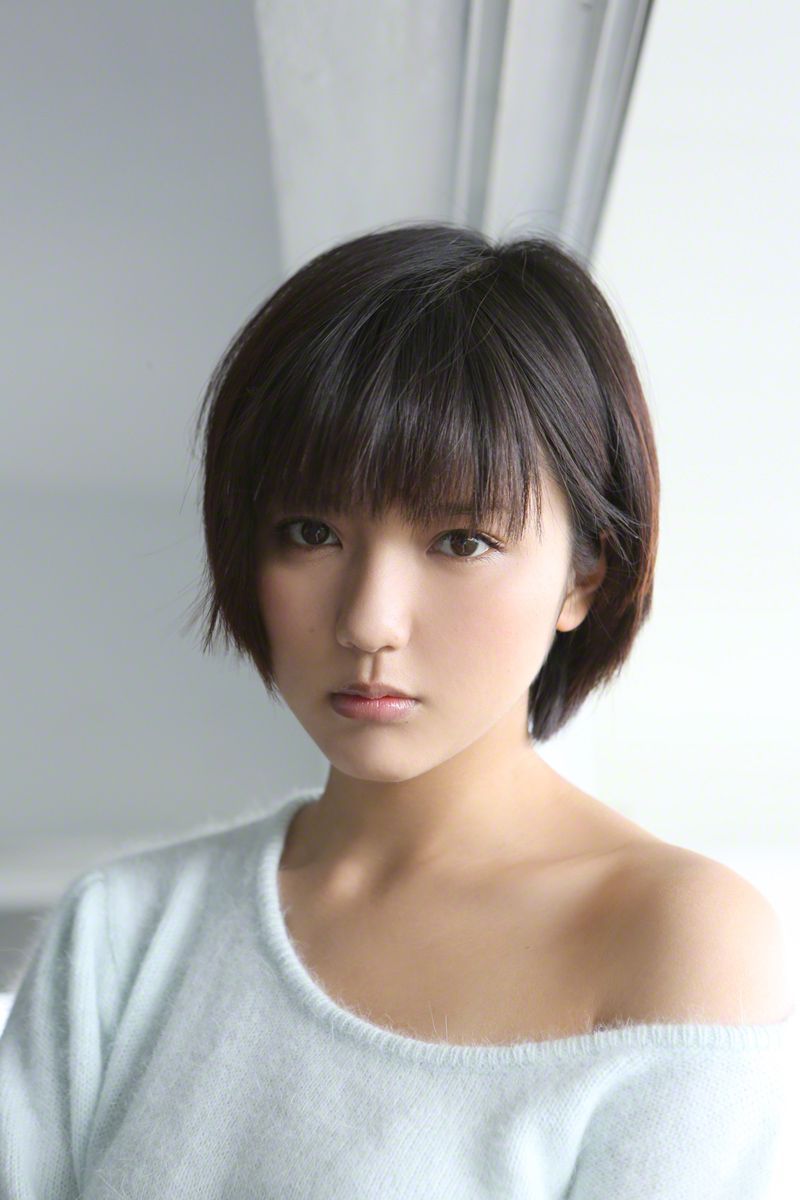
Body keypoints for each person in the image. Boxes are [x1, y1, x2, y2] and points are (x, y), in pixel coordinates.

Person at [0, 221, 794, 1197]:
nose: (368, 620)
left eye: (460, 541)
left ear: (584, 573)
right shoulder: (127, 933)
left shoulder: (674, 937)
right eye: (310, 532)